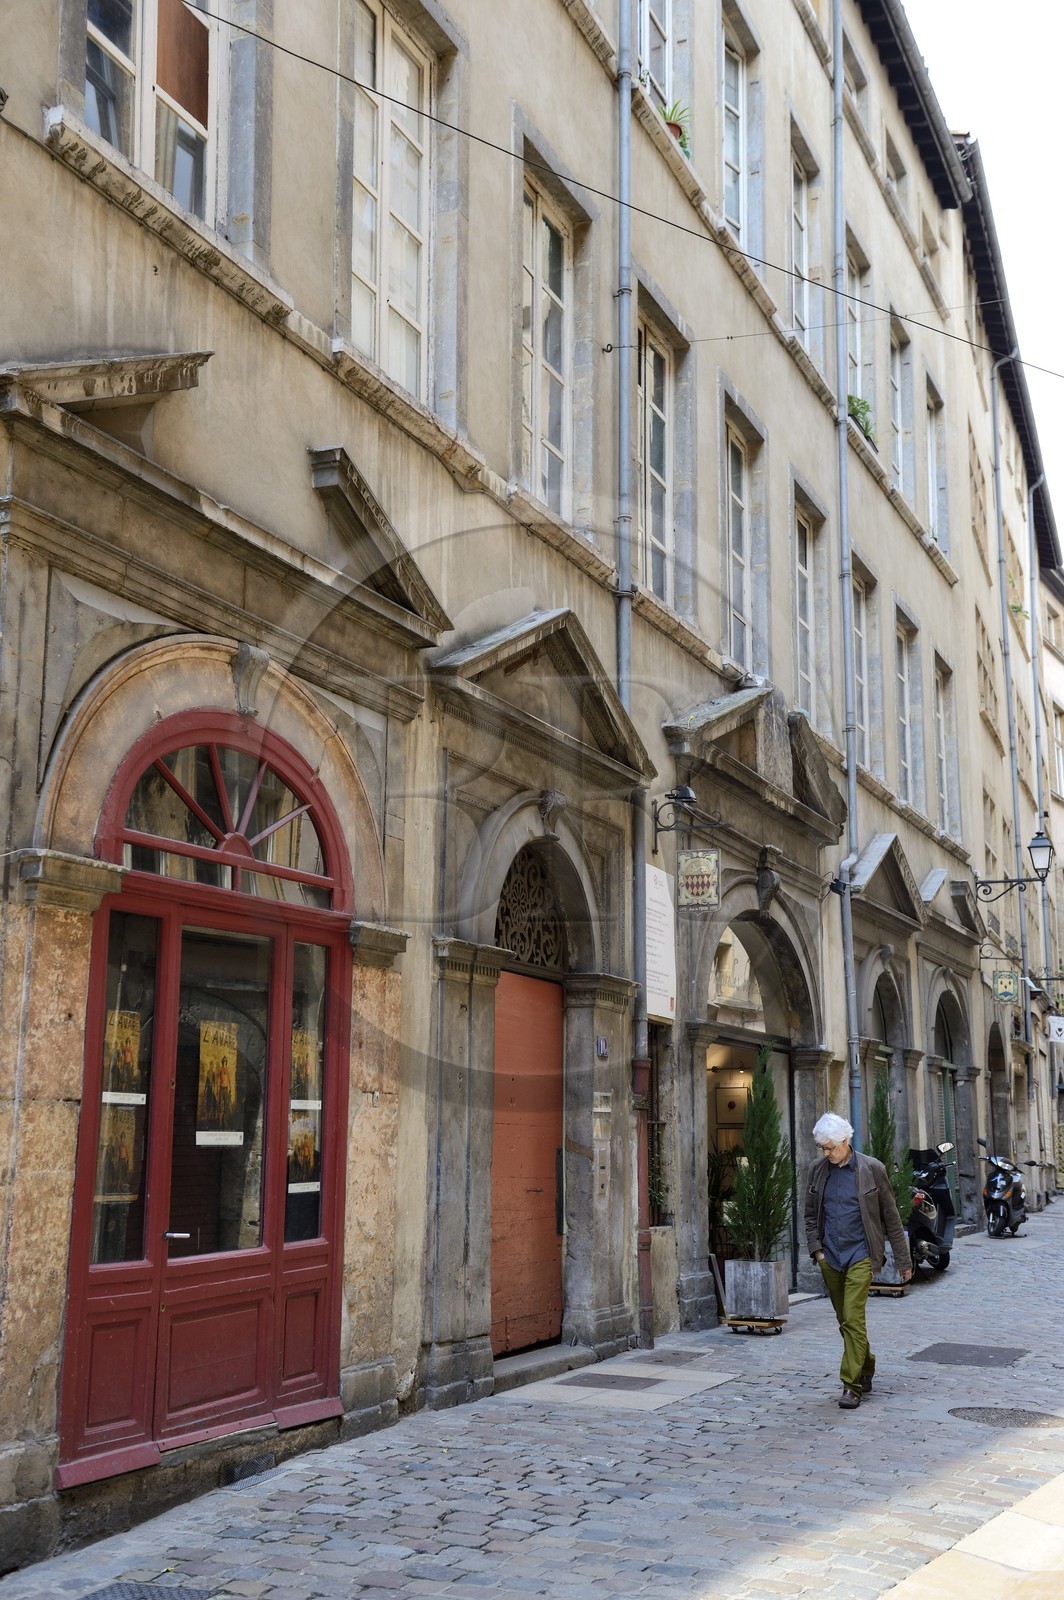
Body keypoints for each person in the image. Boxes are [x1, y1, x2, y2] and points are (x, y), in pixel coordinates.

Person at [803, 1112, 912, 1409]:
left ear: (846, 1140)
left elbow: (891, 1217)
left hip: (861, 1253)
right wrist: (818, 1252)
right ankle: (866, 1364)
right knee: (846, 1322)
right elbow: (810, 1215)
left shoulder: (872, 1168)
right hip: (830, 1256)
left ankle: (851, 1385)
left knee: (852, 1317)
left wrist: (904, 1261)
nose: (827, 1153)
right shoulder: (817, 1170)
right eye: (823, 1148)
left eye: (831, 1148)